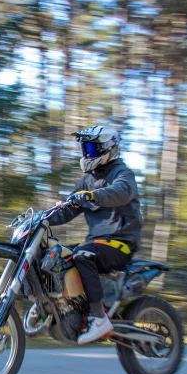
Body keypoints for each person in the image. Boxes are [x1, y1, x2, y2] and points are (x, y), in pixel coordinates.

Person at [47, 125, 143, 344]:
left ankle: (99, 317)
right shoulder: (87, 181)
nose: (86, 154)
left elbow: (120, 192)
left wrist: (93, 196)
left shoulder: (122, 174)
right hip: (97, 243)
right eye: (84, 149)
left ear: (107, 149)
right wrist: (40, 218)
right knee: (55, 255)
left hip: (121, 243)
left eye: (91, 148)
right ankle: (59, 307)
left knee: (83, 255)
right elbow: (66, 210)